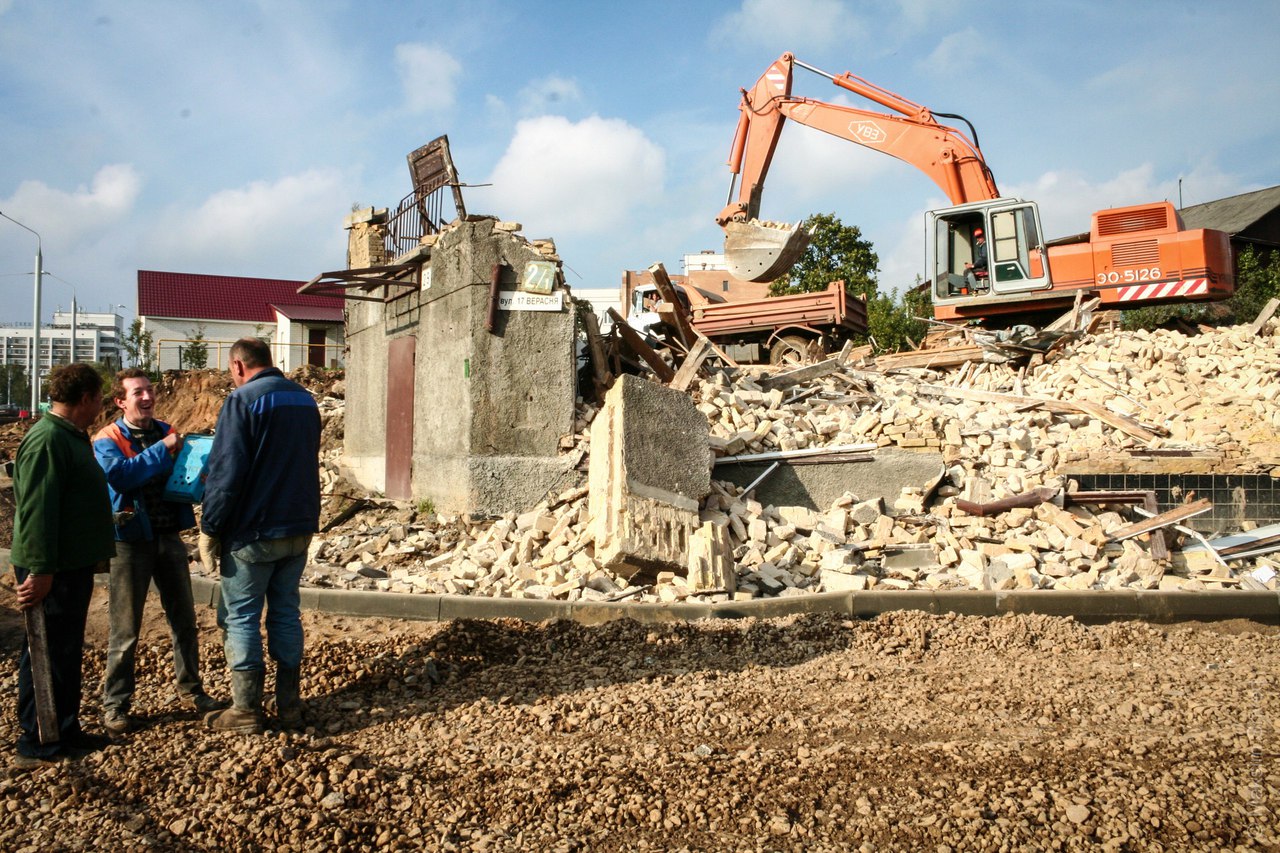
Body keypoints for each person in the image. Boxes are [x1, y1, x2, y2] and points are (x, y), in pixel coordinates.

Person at [94, 369, 227, 737]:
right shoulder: (107, 439)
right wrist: (161, 449)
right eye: (138, 392)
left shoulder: (165, 430)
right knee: (125, 629)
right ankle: (116, 704)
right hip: (130, 541)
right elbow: (120, 477)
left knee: (184, 620)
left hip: (168, 537)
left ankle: (191, 691)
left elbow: (185, 473)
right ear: (122, 401)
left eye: (149, 390)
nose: (147, 396)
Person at [201, 338, 320, 734]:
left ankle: (246, 710)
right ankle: (289, 707)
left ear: (237, 366)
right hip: (298, 527)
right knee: (286, 614)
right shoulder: (305, 400)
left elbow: (226, 473)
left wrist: (210, 528)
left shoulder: (243, 401)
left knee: (242, 618)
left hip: (254, 532)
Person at [10, 363, 116, 768]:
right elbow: (37, 510)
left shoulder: (67, 436)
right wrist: (39, 570)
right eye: (99, 400)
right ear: (86, 398)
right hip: (52, 567)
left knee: (65, 649)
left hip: (69, 564)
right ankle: (38, 740)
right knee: (46, 649)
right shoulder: (48, 441)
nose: (100, 408)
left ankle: (64, 728)